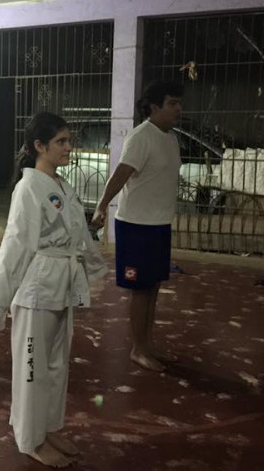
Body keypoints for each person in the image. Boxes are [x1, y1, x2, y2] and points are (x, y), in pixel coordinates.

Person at [0, 112, 107, 468]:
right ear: (39, 146)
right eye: (61, 142)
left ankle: (48, 429)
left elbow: (78, 236)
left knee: (56, 366)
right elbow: (15, 243)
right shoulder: (28, 188)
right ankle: (30, 440)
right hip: (36, 290)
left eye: (69, 141)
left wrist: (93, 267)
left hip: (61, 286)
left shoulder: (61, 186)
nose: (68, 148)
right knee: (32, 369)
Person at [91, 80, 183, 372]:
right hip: (136, 227)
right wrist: (102, 205)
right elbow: (121, 174)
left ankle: (147, 344)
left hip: (159, 225)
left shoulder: (170, 138)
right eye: (172, 103)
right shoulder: (141, 137)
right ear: (154, 107)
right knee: (141, 290)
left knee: (153, 286)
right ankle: (138, 349)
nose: (178, 109)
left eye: (179, 103)